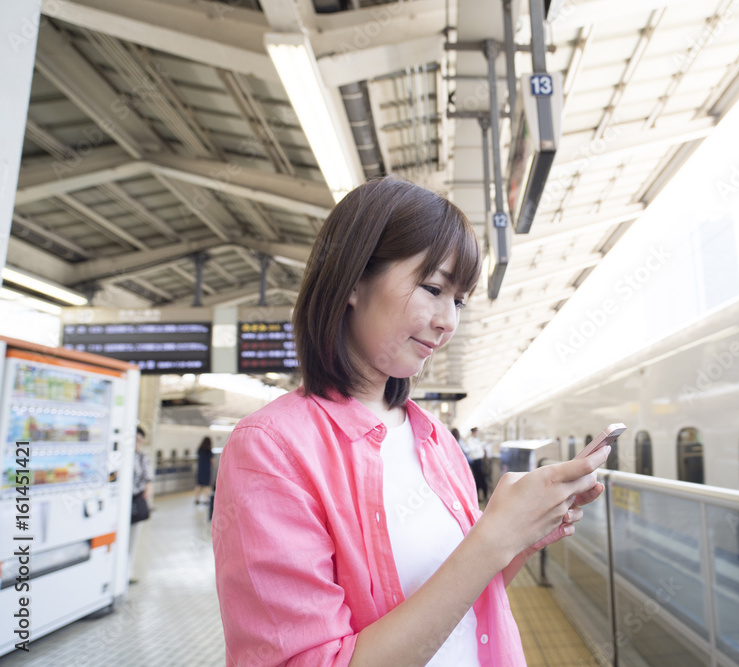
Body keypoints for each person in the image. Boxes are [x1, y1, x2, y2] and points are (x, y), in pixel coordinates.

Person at [212, 177, 609, 666]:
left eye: (458, 300)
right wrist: (494, 539)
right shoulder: (270, 449)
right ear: (353, 280)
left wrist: (521, 539)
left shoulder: (436, 440)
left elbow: (465, 602)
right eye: (434, 288)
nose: (449, 322)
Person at [129, 425, 153, 585]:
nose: (138, 442)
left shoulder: (143, 458)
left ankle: (127, 572)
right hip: (120, 503)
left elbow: (148, 480)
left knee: (133, 538)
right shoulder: (122, 456)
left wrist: (147, 490)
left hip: (135, 500)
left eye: (140, 439)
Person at [463, 427, 488, 502]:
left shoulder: (477, 440)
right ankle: (478, 497)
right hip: (476, 462)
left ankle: (483, 496)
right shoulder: (470, 441)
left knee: (481, 479)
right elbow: (472, 449)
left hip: (480, 461)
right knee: (478, 479)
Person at [194, 436, 213, 504]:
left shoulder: (200, 450)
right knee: (206, 485)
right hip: (207, 470)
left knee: (199, 485)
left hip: (200, 469)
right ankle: (206, 500)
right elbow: (212, 461)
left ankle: (197, 499)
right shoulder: (209, 451)